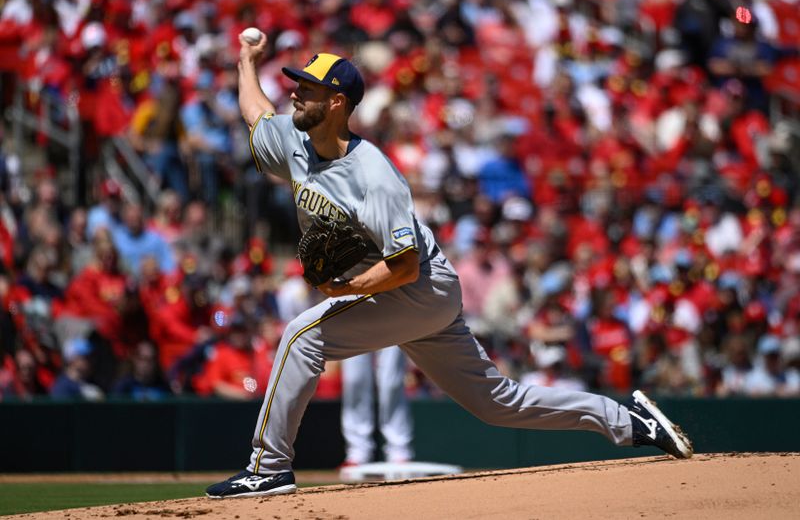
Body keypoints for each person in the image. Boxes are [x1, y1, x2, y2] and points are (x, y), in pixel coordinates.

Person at [205, 33, 694, 499]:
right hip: (408, 296)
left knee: (301, 336)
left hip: (418, 288)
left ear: (336, 102)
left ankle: (267, 470)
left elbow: (405, 265)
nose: (295, 93)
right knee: (497, 403)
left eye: (307, 88)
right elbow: (256, 115)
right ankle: (629, 421)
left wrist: (346, 287)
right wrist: (248, 60)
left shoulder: (374, 174)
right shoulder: (294, 141)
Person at [340, 346, 414, 468]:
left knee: (391, 382)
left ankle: (399, 449)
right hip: (351, 326)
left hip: (392, 326)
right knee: (354, 380)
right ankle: (358, 451)